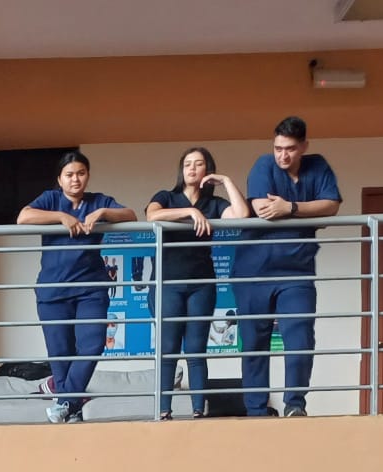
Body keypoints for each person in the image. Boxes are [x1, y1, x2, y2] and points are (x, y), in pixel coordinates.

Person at [17, 150, 136, 424]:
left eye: (81, 173)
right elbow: (23, 217)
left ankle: (64, 400)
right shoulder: (50, 199)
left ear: (88, 176)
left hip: (91, 289)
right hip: (53, 291)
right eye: (69, 175)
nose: (75, 179)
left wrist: (103, 213)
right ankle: (69, 408)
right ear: (60, 179)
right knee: (60, 355)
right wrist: (61, 217)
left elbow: (130, 215)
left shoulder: (98, 201)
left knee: (93, 344)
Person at [234, 117, 341, 417]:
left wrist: (290, 207)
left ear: (304, 146)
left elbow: (331, 205)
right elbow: (263, 209)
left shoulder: (317, 166)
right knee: (254, 343)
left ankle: (295, 404)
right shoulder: (263, 165)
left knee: (300, 336)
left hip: (297, 271)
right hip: (252, 272)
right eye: (278, 148)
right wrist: (307, 212)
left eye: (291, 149)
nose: (283, 155)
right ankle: (256, 411)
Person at [145, 147, 248, 419]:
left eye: (198, 164)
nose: (191, 168)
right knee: (168, 350)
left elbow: (241, 215)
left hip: (201, 284)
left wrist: (226, 181)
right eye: (187, 164)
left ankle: (199, 412)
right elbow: (152, 215)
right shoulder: (166, 197)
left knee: (196, 350)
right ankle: (163, 412)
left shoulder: (214, 204)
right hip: (168, 284)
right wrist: (189, 212)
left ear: (207, 170)